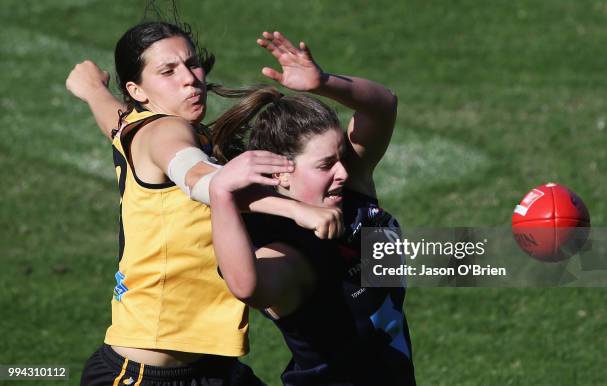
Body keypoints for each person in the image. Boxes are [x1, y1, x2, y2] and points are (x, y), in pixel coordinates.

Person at [66, 21, 343, 386]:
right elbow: (199, 178)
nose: (190, 78)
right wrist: (297, 210)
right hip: (146, 377)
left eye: (192, 63)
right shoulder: (166, 131)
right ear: (137, 90)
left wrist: (92, 90)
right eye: (168, 71)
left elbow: (112, 119)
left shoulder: (134, 126)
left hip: (213, 372)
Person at [209, 31, 416, 385]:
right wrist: (221, 194)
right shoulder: (287, 251)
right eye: (325, 165)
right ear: (281, 174)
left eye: (340, 157)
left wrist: (323, 83)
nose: (343, 170)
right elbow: (248, 287)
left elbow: (383, 105)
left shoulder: (349, 189)